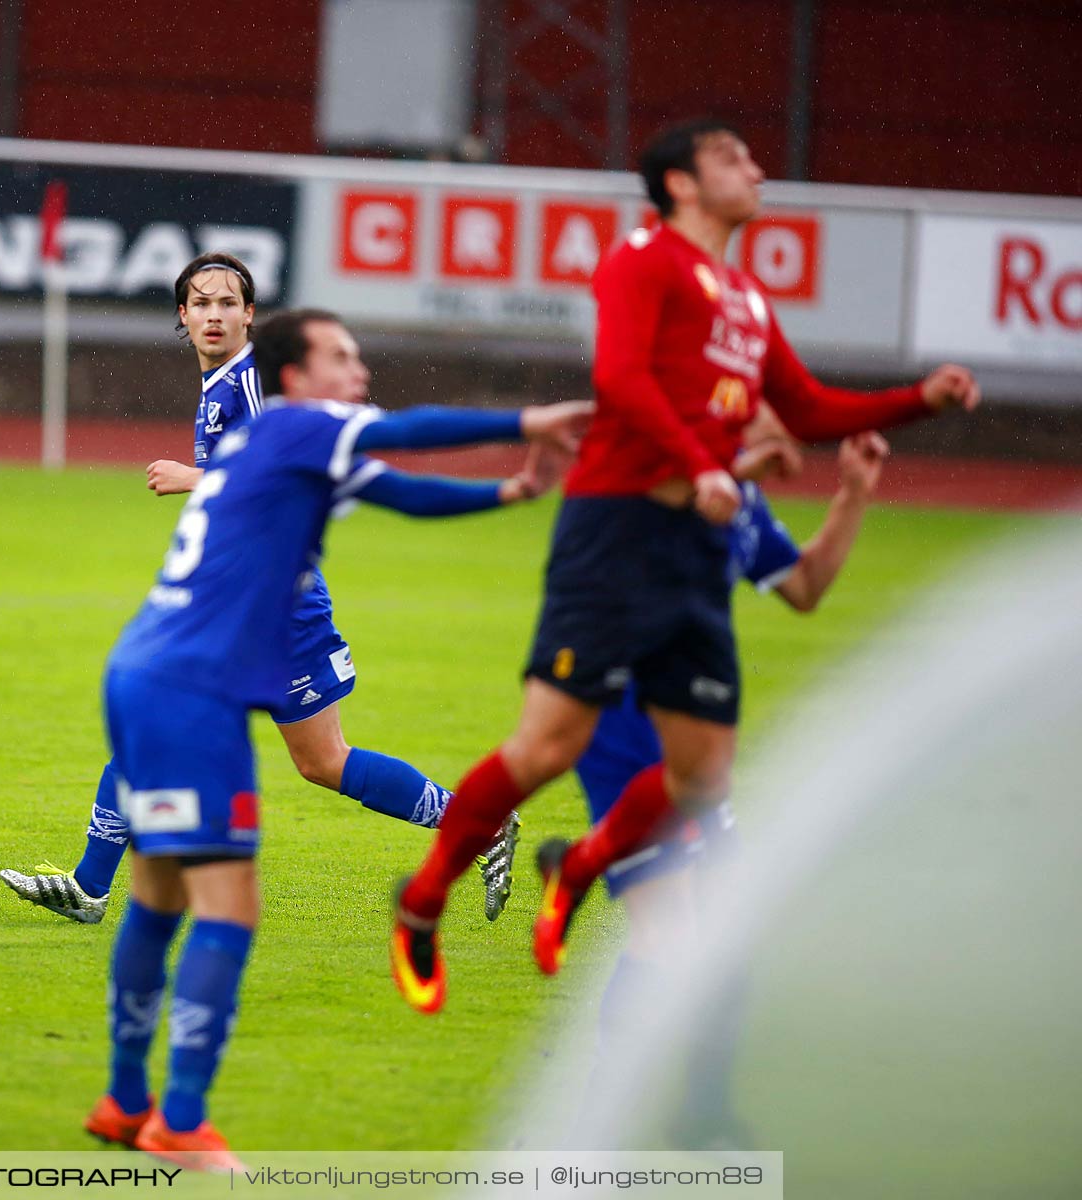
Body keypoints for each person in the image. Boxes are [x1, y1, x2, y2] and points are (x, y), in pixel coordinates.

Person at [389, 118, 980, 1015]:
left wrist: (919, 402)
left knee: (704, 778)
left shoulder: (745, 296)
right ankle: (424, 899)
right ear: (681, 184)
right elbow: (622, 378)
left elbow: (810, 408)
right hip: (615, 532)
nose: (757, 168)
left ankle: (580, 866)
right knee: (550, 744)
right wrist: (702, 463)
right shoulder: (644, 259)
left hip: (695, 550)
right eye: (732, 157)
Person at [86, 308, 592, 1170]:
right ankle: (180, 1120)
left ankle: (125, 1100)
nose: (358, 371)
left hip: (142, 671)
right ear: (293, 373)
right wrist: (527, 422)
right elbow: (409, 433)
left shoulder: (268, 443)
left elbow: (400, 489)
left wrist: (509, 491)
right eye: (341, 356)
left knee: (162, 894)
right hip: (195, 693)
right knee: (226, 908)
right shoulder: (299, 423)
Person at [1, 256, 525, 927]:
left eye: (228, 302)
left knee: (182, 724)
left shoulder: (248, 382)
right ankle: (91, 886)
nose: (214, 314)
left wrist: (197, 477)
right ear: (182, 317)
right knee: (312, 758)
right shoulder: (227, 383)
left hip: (273, 613)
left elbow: (282, 456)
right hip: (251, 606)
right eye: (201, 303)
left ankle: (94, 887)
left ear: (250, 314)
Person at [574, 415, 889, 1146]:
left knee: (727, 927)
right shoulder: (661, 471)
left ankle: (702, 1116)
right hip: (628, 730)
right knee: (668, 929)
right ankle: (589, 1134)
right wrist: (741, 464)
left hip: (692, 742)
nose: (780, 418)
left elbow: (804, 587)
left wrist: (853, 495)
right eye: (762, 403)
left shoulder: (739, 501)